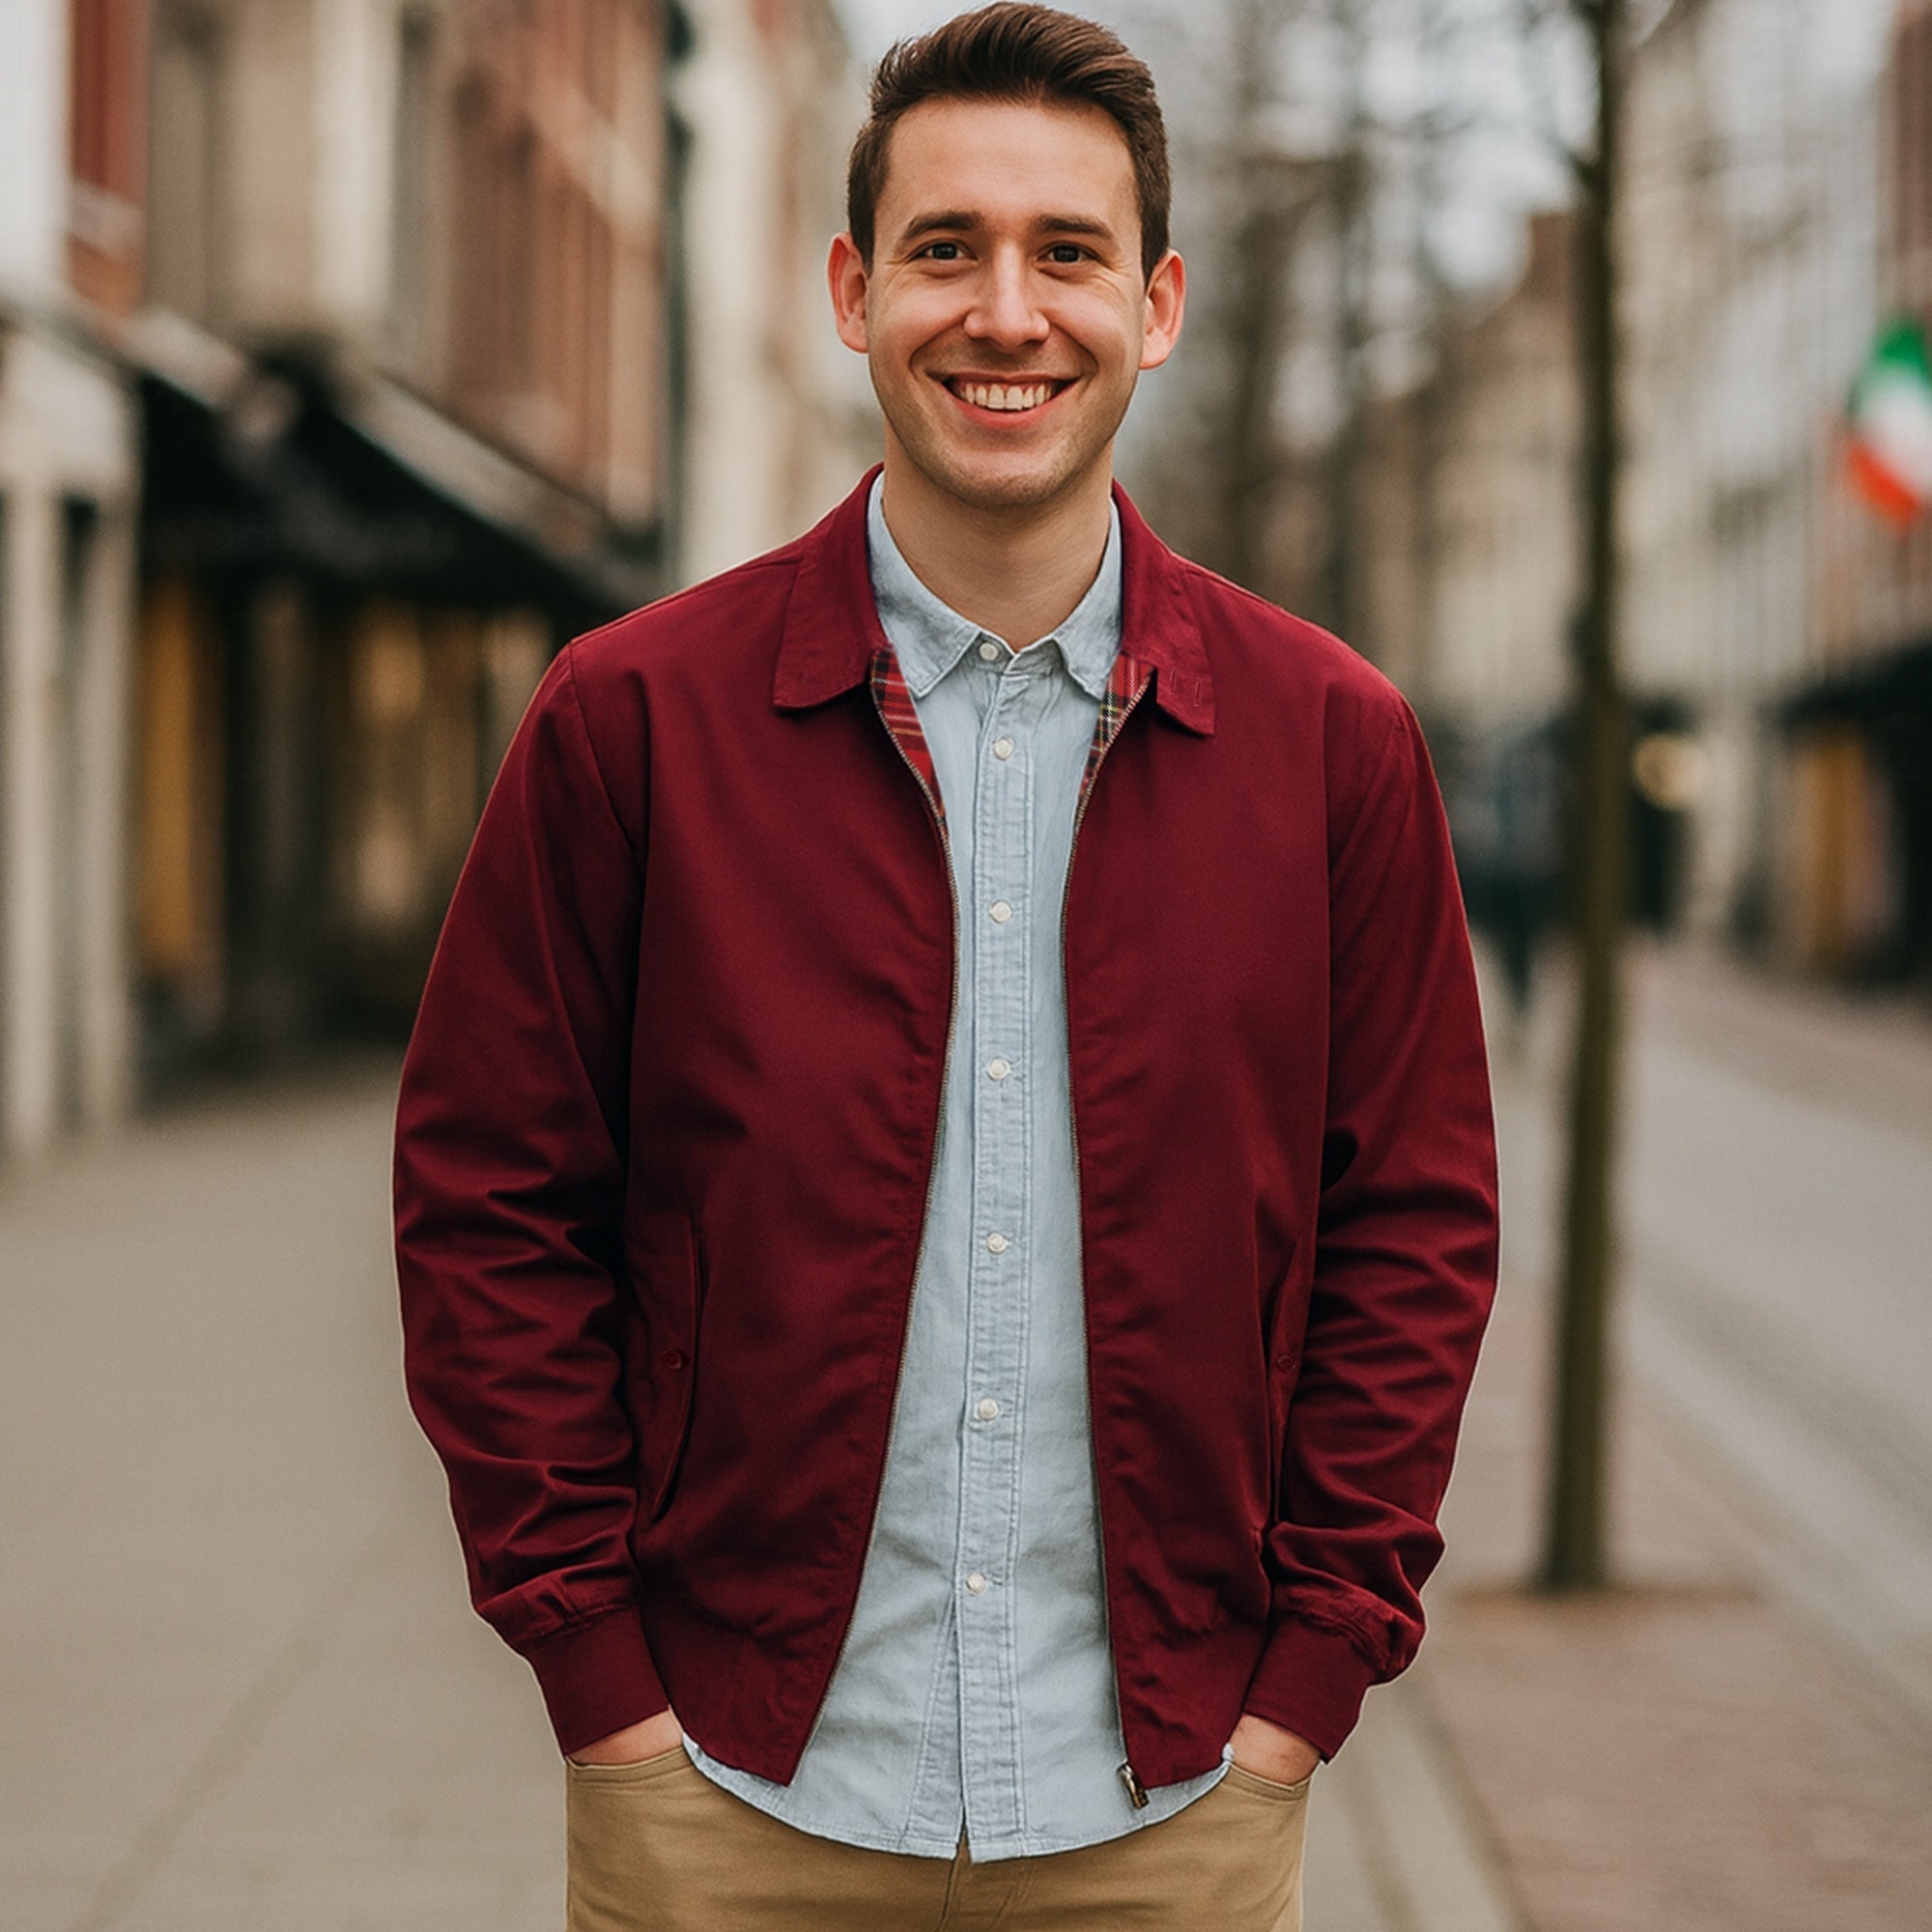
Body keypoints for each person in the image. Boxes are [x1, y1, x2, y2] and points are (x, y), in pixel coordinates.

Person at [393, 7, 1498, 1927]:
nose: (1007, 311)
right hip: (725, 1792)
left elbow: (1409, 1224)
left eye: (1066, 252)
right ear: (851, 291)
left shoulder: (1335, 747)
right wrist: (598, 1673)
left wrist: (1304, 1684)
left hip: (1174, 1802)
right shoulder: (631, 722)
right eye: (943, 248)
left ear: (1155, 305)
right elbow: (487, 1202)